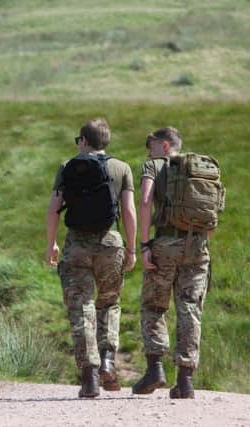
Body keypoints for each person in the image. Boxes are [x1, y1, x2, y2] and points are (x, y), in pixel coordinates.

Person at [46, 118, 137, 398]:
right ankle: (108, 360)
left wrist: (52, 244)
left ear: (84, 141)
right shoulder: (121, 168)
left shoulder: (67, 166)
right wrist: (132, 249)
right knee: (109, 302)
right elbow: (130, 211)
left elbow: (53, 209)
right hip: (111, 243)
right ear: (105, 141)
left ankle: (90, 378)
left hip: (76, 245)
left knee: (81, 307)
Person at [132, 127, 221, 399]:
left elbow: (146, 201)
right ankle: (185, 380)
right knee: (190, 309)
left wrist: (145, 243)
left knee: (154, 305)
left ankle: (155, 369)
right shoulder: (204, 170)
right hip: (198, 246)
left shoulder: (154, 165)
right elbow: (213, 214)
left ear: (165, 145)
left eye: (151, 145)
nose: (149, 151)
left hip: (166, 244)